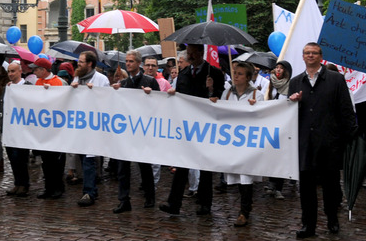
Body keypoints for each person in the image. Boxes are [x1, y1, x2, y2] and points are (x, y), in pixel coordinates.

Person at [289, 42, 357, 238]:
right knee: (306, 186)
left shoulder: (336, 79)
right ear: (303, 56)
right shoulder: (295, 82)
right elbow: (288, 113)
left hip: (329, 141)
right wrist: (293, 103)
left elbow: (346, 109)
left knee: (331, 185)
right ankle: (308, 224)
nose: (310, 55)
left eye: (314, 53)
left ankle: (332, 219)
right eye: (307, 53)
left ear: (321, 56)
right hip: (305, 142)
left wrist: (349, 137)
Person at [160, 44, 225, 217]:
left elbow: (220, 98)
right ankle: (173, 203)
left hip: (205, 125)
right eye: (188, 54)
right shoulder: (184, 73)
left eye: (193, 54)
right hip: (187, 124)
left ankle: (205, 203)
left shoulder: (214, 73)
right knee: (182, 164)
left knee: (205, 166)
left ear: (201, 53)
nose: (190, 57)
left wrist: (211, 89)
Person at [214, 61, 264, 227]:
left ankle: (244, 211)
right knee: (237, 176)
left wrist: (256, 109)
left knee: (246, 176)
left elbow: (264, 117)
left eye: (240, 74)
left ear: (248, 77)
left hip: (248, 142)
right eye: (235, 73)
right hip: (233, 140)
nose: (236, 76)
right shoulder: (228, 93)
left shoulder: (257, 95)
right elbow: (221, 113)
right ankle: (244, 207)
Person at [111, 50, 159, 214]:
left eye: (131, 61)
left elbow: (160, 104)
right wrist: (115, 92)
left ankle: (150, 196)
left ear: (139, 63)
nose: (128, 64)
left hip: (142, 131)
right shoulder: (123, 84)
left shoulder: (149, 81)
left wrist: (151, 95)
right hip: (126, 131)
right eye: (127, 61)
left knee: (144, 166)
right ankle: (124, 200)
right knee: (123, 167)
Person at [71, 51, 111, 207]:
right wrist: (72, 89)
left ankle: (89, 192)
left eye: (81, 62)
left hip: (93, 125)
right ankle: (92, 188)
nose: (78, 64)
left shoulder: (101, 79)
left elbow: (107, 100)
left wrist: (95, 92)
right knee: (83, 158)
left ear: (89, 64)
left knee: (89, 159)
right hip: (79, 125)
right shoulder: (77, 78)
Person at [31, 57, 66, 198]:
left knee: (55, 160)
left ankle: (58, 187)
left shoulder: (58, 82)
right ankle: (48, 187)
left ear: (43, 70)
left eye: (36, 69)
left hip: (56, 128)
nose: (34, 72)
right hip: (43, 127)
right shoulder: (38, 82)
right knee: (45, 160)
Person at [264, 60, 292, 199]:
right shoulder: (270, 84)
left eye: (281, 68)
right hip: (271, 124)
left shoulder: (290, 86)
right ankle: (271, 183)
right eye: (277, 67)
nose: (278, 70)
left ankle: (278, 187)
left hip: (285, 126)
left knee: (281, 157)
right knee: (271, 156)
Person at [5, 61, 30, 197]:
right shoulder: (8, 87)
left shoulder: (28, 86)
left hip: (23, 128)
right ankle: (17, 183)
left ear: (20, 71)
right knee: (12, 157)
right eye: (9, 71)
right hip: (10, 128)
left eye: (13, 71)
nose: (10, 74)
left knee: (20, 157)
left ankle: (24, 184)